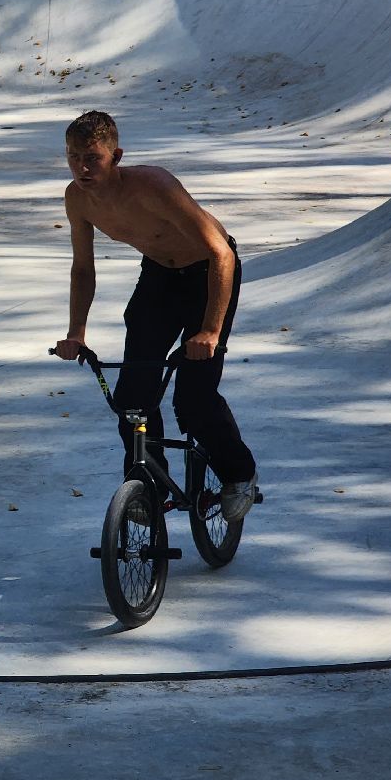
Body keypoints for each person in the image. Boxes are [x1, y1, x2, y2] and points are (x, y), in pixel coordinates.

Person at [52, 110, 258, 520]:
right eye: (74, 157)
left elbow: (221, 252)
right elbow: (83, 268)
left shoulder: (155, 186)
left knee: (193, 400)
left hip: (209, 273)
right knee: (132, 398)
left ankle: (240, 475)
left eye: (92, 157)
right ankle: (148, 485)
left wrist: (210, 332)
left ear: (117, 157)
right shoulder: (77, 198)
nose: (82, 167)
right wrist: (76, 332)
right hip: (160, 276)